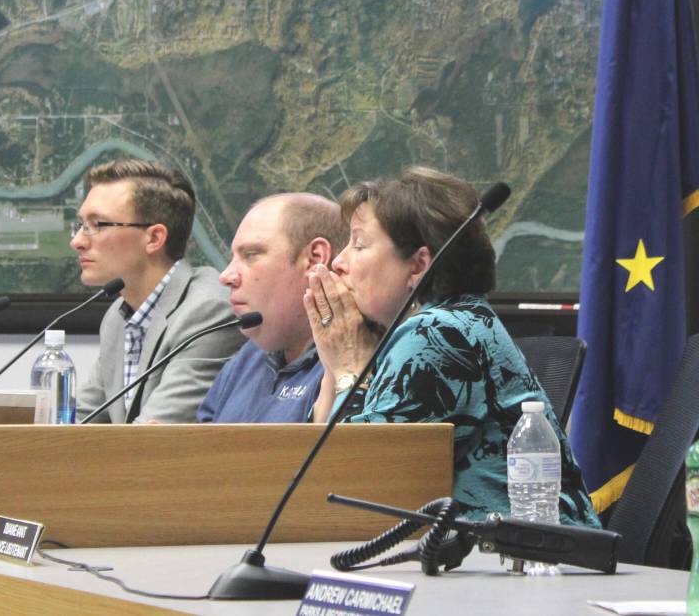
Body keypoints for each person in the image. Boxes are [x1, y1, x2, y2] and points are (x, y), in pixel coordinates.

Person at [305, 166, 599, 526]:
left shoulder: (438, 335)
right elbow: (315, 474)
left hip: (536, 565)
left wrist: (349, 366)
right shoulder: (444, 324)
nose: (338, 262)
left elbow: (355, 482)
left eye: (359, 244)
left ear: (418, 266)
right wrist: (334, 365)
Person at [72, 159, 245, 423]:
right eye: (82, 224)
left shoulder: (208, 312)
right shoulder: (117, 318)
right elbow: (78, 423)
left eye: (98, 224)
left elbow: (155, 440)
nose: (77, 241)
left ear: (153, 238)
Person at [197, 193, 348, 422]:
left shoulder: (352, 359)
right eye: (233, 258)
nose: (226, 276)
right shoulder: (246, 359)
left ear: (315, 259)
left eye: (251, 255)